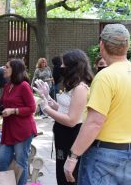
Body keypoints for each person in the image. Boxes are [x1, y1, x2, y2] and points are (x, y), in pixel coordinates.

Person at [64, 24, 131, 185]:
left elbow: (94, 122)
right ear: (127, 46)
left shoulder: (105, 77)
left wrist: (73, 156)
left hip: (104, 156)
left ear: (102, 45)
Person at [34, 49, 93, 185]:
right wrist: (47, 97)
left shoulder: (80, 89)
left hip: (71, 136)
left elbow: (72, 120)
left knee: (68, 177)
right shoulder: (73, 86)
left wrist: (46, 108)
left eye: (64, 64)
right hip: (63, 135)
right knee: (60, 174)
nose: (61, 67)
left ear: (74, 66)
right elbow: (64, 109)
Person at [0, 58, 37, 185]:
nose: (4, 68)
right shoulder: (7, 85)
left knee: (21, 162)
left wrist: (13, 111)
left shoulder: (24, 86)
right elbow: (2, 106)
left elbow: (32, 108)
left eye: (7, 67)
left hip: (23, 130)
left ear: (15, 70)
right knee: (2, 160)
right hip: (9, 129)